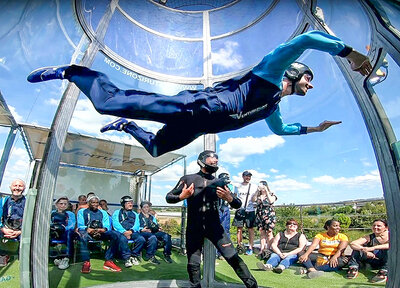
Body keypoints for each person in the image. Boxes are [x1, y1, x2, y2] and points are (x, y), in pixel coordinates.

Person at [27, 31, 372, 157]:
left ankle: (126, 126)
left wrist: (315, 129)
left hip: (195, 127)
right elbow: (306, 40)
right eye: (308, 79)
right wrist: (350, 53)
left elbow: (282, 130)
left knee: (158, 148)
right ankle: (72, 72)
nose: (310, 86)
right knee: (106, 102)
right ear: (295, 73)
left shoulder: (272, 105)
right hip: (194, 106)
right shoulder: (270, 73)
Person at [166, 150, 268, 288]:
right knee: (193, 262)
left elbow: (237, 204)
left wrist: (229, 198)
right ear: (202, 161)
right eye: (211, 160)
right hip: (194, 227)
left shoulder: (219, 182)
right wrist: (182, 196)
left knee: (233, 258)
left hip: (215, 227)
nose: (214, 163)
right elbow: (169, 197)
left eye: (216, 161)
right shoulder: (188, 179)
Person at [77, 195, 132, 273]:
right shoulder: (82, 211)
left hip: (101, 232)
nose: (95, 204)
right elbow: (80, 225)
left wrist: (102, 230)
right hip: (88, 232)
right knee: (83, 236)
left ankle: (109, 260)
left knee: (116, 234)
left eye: (97, 202)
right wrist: (88, 229)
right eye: (93, 202)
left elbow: (106, 226)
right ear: (89, 203)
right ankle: (86, 262)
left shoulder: (103, 212)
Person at [112, 196, 155, 265]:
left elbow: (136, 225)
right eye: (128, 203)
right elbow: (115, 223)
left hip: (132, 232)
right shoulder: (117, 212)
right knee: (122, 240)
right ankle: (127, 258)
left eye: (131, 203)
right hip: (121, 232)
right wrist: (124, 232)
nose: (131, 204)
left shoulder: (135, 214)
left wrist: (130, 231)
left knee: (141, 239)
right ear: (123, 204)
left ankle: (133, 255)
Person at [347, 219, 389, 283]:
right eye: (374, 225)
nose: (375, 227)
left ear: (386, 228)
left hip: (386, 262)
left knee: (389, 251)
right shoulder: (370, 237)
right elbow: (353, 243)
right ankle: (353, 268)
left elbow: (391, 245)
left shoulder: (392, 236)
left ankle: (383, 272)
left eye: (379, 226)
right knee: (357, 249)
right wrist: (364, 250)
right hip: (373, 260)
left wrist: (373, 248)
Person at [0, 179, 27, 267]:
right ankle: (3, 255)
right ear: (10, 187)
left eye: (20, 186)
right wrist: (2, 228)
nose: (17, 188)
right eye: (15, 186)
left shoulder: (28, 202)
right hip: (6, 227)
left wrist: (20, 231)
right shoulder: (3, 201)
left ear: (24, 188)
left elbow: (32, 220)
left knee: (29, 237)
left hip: (21, 229)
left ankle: (24, 258)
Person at [232, 171, 258, 255]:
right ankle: (239, 246)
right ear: (243, 176)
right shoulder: (238, 186)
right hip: (240, 209)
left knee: (250, 229)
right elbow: (235, 196)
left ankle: (250, 247)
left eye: (249, 176)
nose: (248, 178)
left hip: (250, 210)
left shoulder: (254, 187)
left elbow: (256, 197)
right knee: (239, 229)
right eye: (246, 176)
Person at [50, 196, 76, 270]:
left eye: (65, 204)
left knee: (69, 233)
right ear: (57, 204)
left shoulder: (70, 214)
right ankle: (56, 257)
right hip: (54, 231)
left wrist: (62, 228)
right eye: (61, 203)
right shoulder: (52, 213)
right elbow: (49, 222)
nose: (63, 205)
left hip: (65, 232)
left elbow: (71, 225)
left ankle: (66, 258)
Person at [254, 180, 277, 257]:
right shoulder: (258, 195)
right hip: (260, 215)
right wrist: (257, 191)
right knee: (262, 233)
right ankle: (262, 250)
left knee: (269, 232)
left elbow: (271, 201)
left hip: (269, 215)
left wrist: (267, 191)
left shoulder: (272, 194)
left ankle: (269, 249)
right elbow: (253, 200)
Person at [216, 172, 233, 260]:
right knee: (217, 231)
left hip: (226, 209)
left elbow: (233, 200)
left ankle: (224, 253)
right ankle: (215, 253)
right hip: (218, 210)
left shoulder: (229, 188)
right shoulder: (216, 188)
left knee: (226, 231)